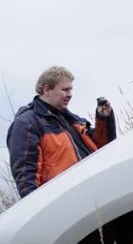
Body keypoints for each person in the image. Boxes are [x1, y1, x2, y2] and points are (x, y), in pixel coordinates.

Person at [7, 66, 117, 198]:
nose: (70, 94)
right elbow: (26, 177)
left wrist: (104, 119)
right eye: (65, 90)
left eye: (71, 89)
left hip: (96, 190)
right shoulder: (27, 123)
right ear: (46, 89)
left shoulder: (71, 119)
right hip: (67, 200)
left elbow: (101, 148)